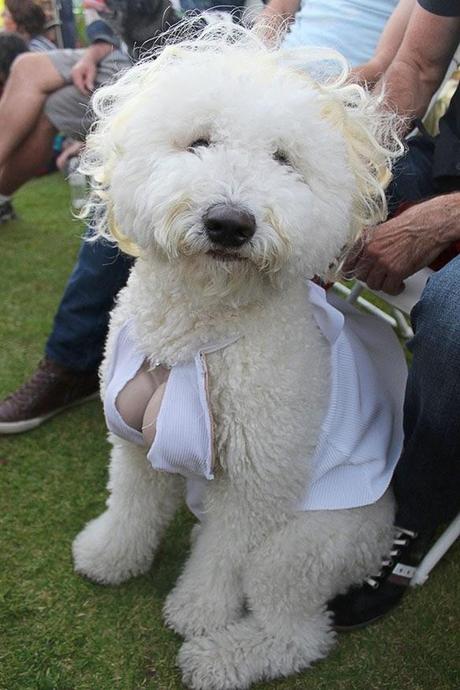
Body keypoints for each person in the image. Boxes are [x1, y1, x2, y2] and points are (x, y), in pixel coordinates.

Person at [329, 0, 460, 628]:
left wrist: (442, 219)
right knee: (297, 203)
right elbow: (417, 61)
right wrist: (351, 170)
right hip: (444, 165)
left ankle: (417, 503)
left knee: (454, 315)